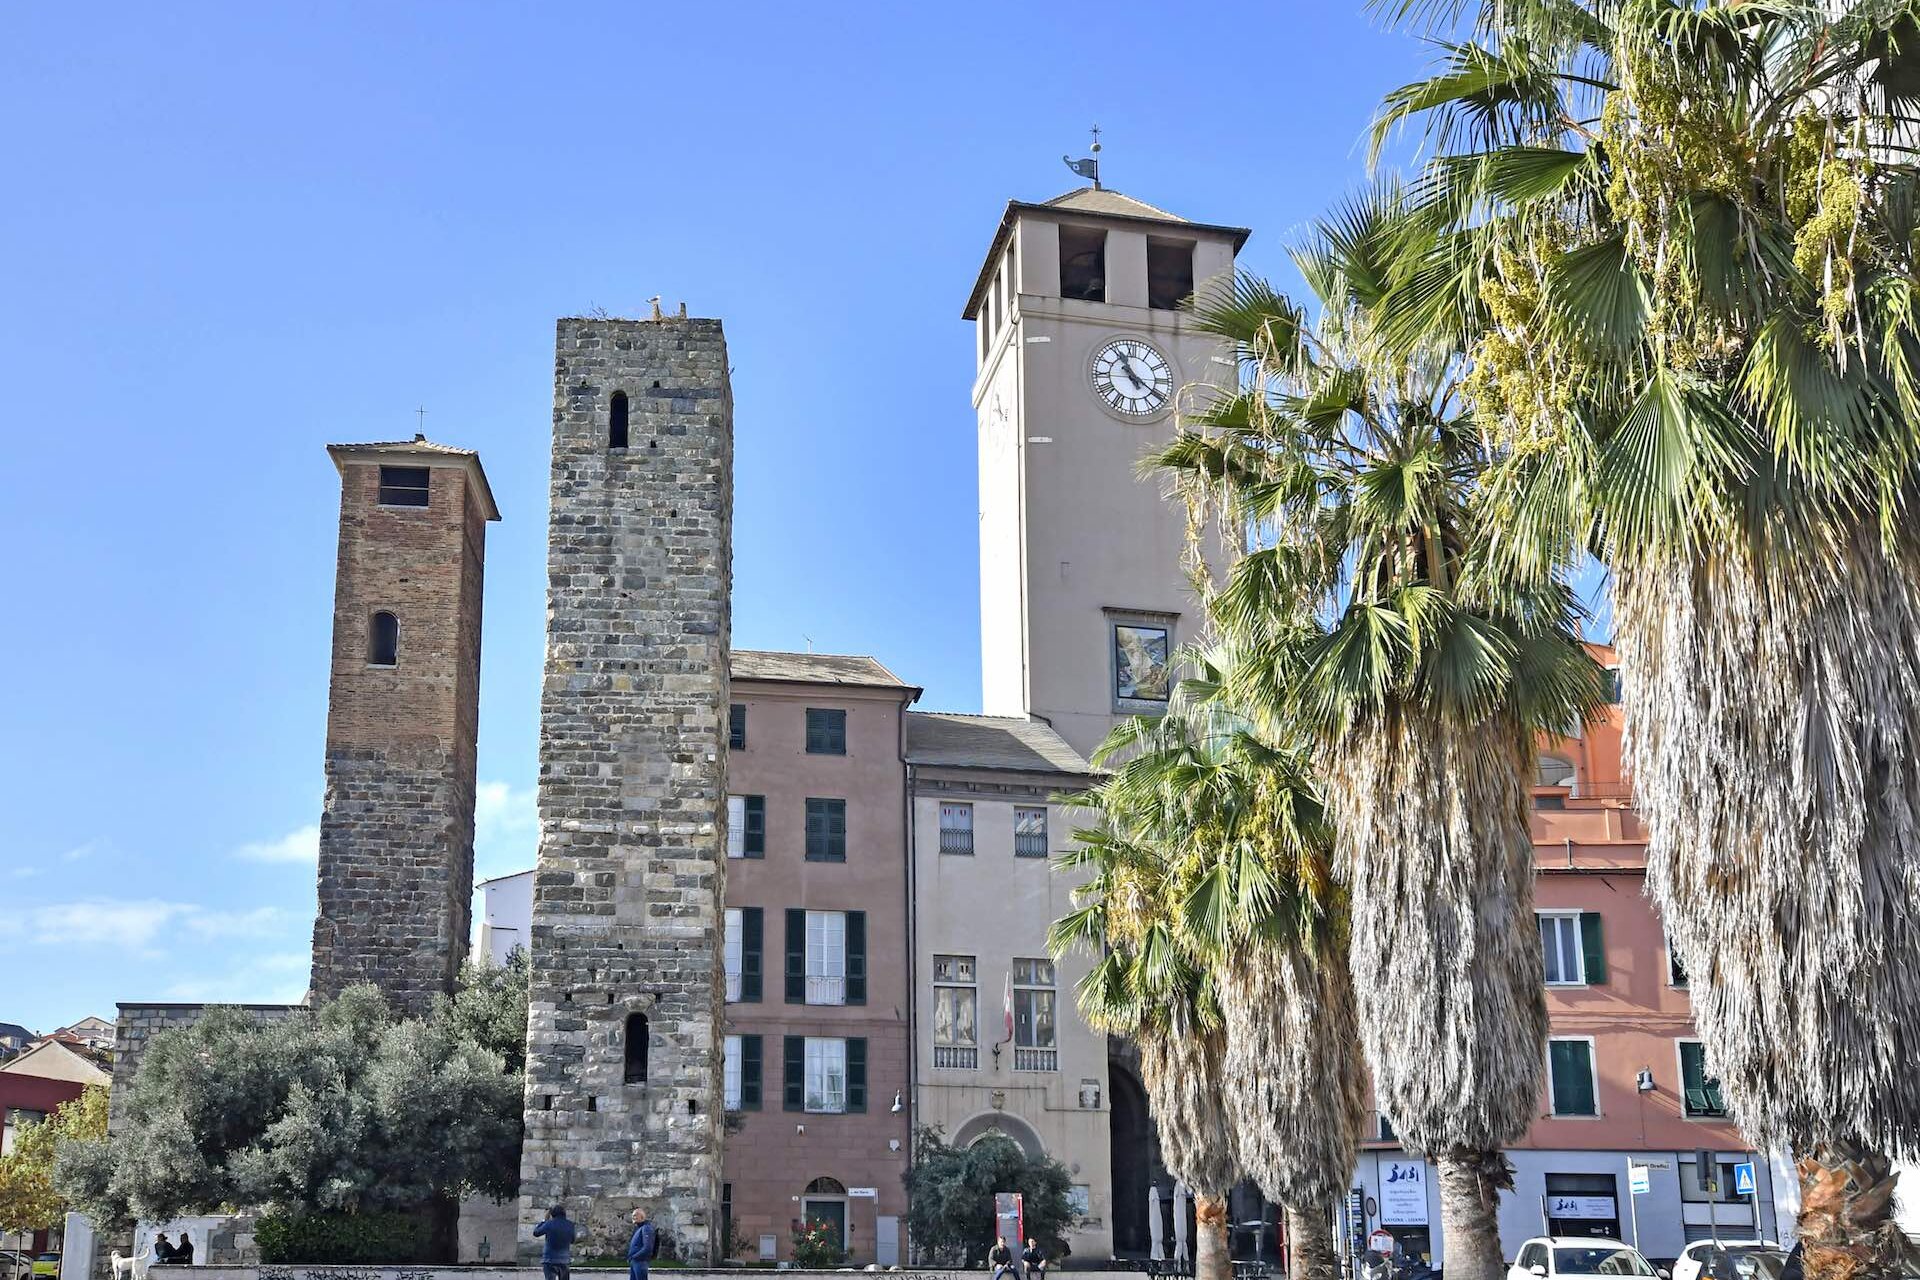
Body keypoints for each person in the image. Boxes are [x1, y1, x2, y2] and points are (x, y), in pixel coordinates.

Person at [533, 1205, 577, 1280]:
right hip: (564, 1259)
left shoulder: (549, 1224)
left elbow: (536, 1233)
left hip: (549, 1259)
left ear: (552, 1214)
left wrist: (544, 1220)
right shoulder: (570, 1225)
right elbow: (572, 1240)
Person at [627, 1207, 657, 1280]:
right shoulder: (639, 1228)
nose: (633, 1217)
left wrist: (634, 1257)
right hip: (635, 1262)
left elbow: (647, 1248)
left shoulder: (646, 1228)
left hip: (640, 1262)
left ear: (642, 1217)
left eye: (635, 1215)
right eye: (632, 1215)